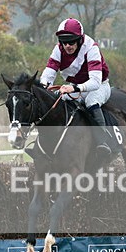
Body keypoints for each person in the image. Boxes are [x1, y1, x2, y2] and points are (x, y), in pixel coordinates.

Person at [39, 18, 112, 156]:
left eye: (71, 42)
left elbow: (95, 82)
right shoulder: (58, 49)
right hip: (76, 87)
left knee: (91, 101)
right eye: (64, 42)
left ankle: (102, 142)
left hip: (99, 86)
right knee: (56, 100)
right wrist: (44, 86)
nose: (67, 45)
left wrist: (74, 88)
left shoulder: (91, 48)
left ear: (79, 40)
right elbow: (49, 73)